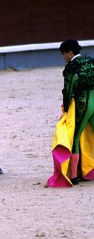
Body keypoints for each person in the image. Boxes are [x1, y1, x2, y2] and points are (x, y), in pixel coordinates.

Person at [59, 39, 94, 185]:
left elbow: (68, 91)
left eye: (63, 54)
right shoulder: (91, 61)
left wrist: (66, 110)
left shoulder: (71, 67)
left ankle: (73, 175)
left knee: (74, 138)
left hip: (83, 103)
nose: (63, 57)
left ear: (70, 52)